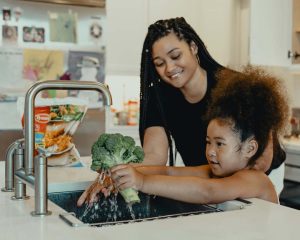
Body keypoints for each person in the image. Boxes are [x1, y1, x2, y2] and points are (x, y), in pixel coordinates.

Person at [77, 17, 286, 206]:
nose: (169, 68)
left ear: (193, 47)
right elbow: (159, 160)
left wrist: (142, 180)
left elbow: (254, 164)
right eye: (160, 63)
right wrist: (120, 173)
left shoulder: (235, 88)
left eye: (175, 56)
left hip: (253, 174)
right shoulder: (161, 97)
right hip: (216, 171)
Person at [110, 66, 289, 204]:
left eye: (219, 144)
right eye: (208, 142)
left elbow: (208, 192)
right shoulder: (217, 172)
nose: (210, 151)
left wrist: (141, 182)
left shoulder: (254, 179)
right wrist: (126, 171)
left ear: (249, 148)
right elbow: (169, 171)